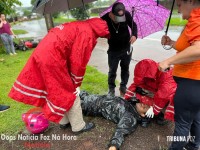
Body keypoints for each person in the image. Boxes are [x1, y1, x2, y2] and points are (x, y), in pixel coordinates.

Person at [8, 18, 110, 134]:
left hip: (43, 53)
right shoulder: (87, 34)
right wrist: (76, 83)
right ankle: (78, 126)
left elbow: (68, 48)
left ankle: (64, 121)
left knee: (57, 90)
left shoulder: (79, 25)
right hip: (53, 57)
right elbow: (78, 61)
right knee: (70, 91)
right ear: (101, 31)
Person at [159, 1, 200, 149]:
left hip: (192, 82)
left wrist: (167, 61)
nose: (178, 9)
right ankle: (194, 146)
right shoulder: (193, 20)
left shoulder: (197, 18)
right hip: (194, 84)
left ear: (191, 1)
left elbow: (198, 49)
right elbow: (189, 45)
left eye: (180, 4)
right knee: (195, 117)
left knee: (182, 123)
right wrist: (172, 43)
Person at [76, 91, 152, 150]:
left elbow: (121, 131)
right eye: (146, 103)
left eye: (145, 108)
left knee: (71, 102)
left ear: (143, 115)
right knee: (74, 89)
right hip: (95, 97)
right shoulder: (133, 102)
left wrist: (114, 146)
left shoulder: (130, 118)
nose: (144, 104)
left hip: (92, 107)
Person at [101, 2, 138, 97]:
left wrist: (134, 35)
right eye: (117, 18)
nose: (120, 20)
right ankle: (111, 89)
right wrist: (105, 33)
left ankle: (123, 86)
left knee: (125, 69)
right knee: (112, 70)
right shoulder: (104, 19)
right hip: (113, 50)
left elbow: (133, 25)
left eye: (121, 18)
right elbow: (99, 31)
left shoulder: (127, 14)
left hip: (126, 48)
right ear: (111, 14)